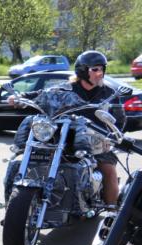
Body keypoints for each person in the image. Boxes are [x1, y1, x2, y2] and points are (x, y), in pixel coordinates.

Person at [8, 50, 125, 205]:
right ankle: (15, 202)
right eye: (95, 69)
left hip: (95, 143)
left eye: (102, 69)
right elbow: (40, 94)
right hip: (62, 140)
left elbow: (120, 119)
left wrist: (113, 136)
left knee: (108, 170)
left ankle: (111, 209)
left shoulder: (109, 94)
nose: (100, 73)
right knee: (29, 158)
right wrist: (19, 98)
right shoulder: (63, 90)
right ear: (83, 71)